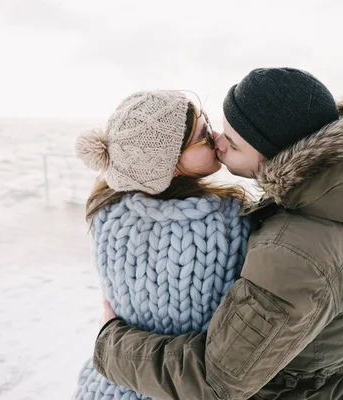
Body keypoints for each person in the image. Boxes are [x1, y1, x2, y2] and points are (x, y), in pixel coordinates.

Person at [93, 68, 343, 400]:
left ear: (273, 156)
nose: (218, 141)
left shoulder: (294, 252)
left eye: (231, 143)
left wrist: (110, 344)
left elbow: (216, 380)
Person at [73, 90, 251, 399]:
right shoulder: (231, 218)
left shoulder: (105, 211)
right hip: (190, 385)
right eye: (204, 136)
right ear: (168, 164)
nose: (217, 138)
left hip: (113, 382)